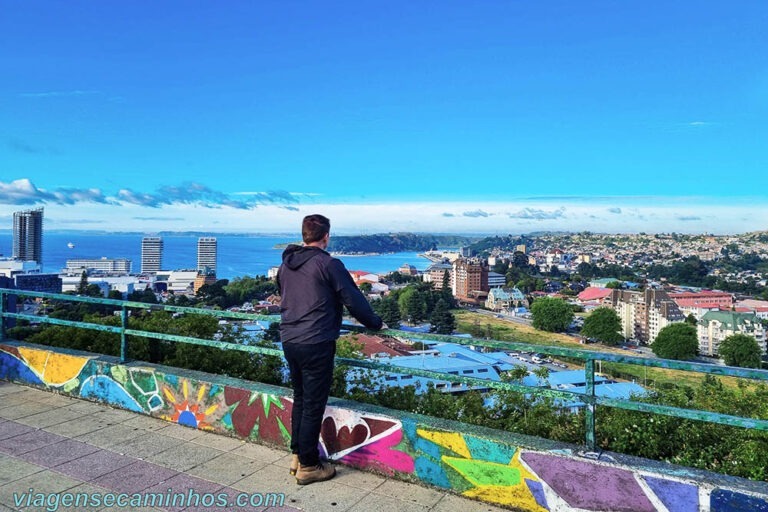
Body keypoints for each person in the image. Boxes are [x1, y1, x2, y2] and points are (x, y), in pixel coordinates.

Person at [277, 214, 383, 485]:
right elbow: (353, 300)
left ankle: (298, 456)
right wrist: (375, 324)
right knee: (313, 404)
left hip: (290, 339)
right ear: (326, 236)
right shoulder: (328, 264)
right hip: (316, 341)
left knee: (301, 398)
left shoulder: (286, 265)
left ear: (304, 235)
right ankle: (310, 466)